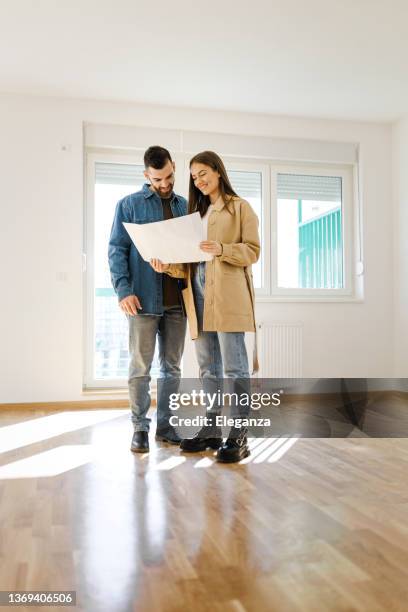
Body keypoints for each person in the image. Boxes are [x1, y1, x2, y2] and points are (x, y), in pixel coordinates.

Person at [151, 151, 260, 463]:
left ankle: (238, 435)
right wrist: (165, 267)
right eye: (194, 177)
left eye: (202, 173)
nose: (198, 181)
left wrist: (223, 249)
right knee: (207, 367)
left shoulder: (240, 208)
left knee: (235, 367)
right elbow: (188, 262)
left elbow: (253, 251)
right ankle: (212, 428)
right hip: (197, 298)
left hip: (228, 298)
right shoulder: (195, 215)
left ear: (217, 170)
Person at [108, 146, 187, 453]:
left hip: (178, 302)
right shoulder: (128, 205)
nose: (165, 184)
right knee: (140, 367)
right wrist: (123, 290)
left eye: (169, 176)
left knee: (172, 368)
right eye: (158, 179)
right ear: (146, 175)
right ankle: (140, 427)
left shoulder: (185, 207)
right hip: (141, 299)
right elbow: (117, 250)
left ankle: (167, 428)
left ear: (173, 167)